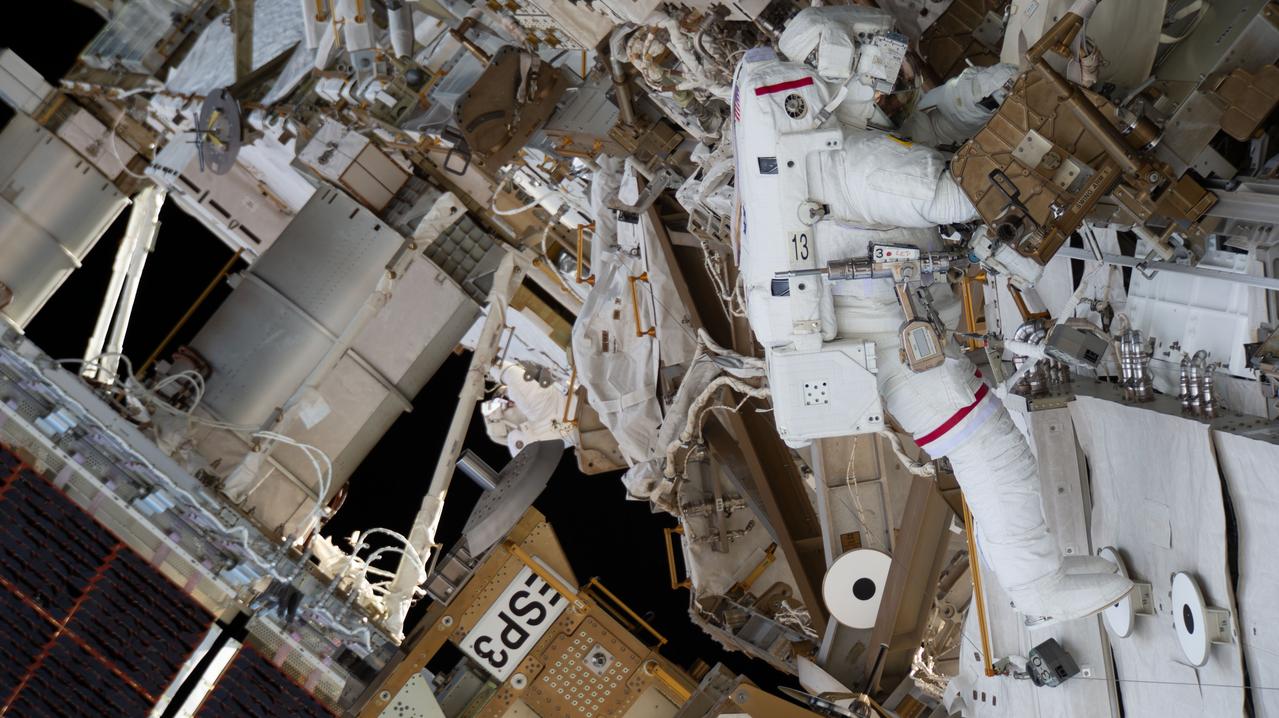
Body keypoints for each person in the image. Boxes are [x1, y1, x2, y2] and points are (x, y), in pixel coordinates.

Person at [730, 7, 1132, 624]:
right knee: (992, 454)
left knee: (991, 451)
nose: (897, 76)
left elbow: (930, 120)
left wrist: (1002, 89)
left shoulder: (831, 140)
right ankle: (1038, 590)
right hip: (894, 351)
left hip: (891, 335)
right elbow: (952, 191)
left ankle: (1037, 581)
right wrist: (1050, 124)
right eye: (884, 63)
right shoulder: (848, 160)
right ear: (848, 72)